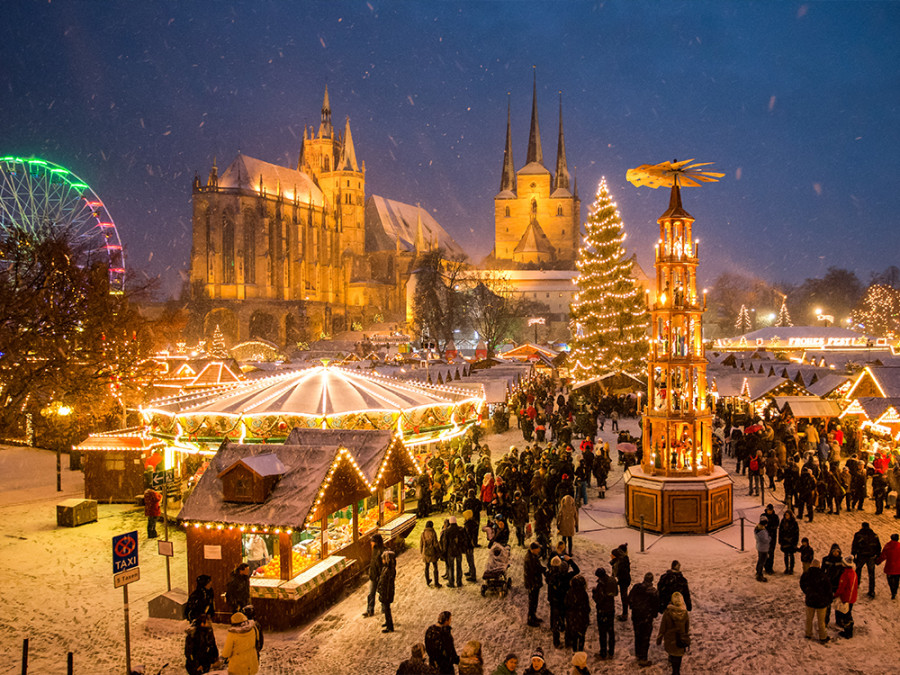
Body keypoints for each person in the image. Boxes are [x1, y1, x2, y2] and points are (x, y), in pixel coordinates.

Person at [548, 554, 581, 648]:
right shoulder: (569, 576)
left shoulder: (554, 576)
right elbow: (577, 570)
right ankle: (567, 639)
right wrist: (570, 560)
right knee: (566, 619)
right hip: (565, 601)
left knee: (555, 621)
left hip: (555, 601)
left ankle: (556, 641)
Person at [627, 572, 659, 667]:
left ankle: (638, 653)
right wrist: (653, 614)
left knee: (637, 634)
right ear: (652, 580)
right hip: (647, 618)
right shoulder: (653, 592)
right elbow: (656, 606)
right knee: (645, 638)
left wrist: (633, 607)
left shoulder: (636, 587)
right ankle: (643, 658)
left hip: (636, 616)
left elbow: (629, 599)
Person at [656, 591, 690, 675]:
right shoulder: (685, 613)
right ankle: (676, 671)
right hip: (680, 638)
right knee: (678, 656)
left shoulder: (668, 613)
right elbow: (687, 627)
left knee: (672, 652)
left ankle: (672, 663)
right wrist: (685, 636)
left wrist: (659, 638)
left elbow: (663, 627)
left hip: (670, 638)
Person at [800, 560, 831, 643]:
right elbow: (828, 589)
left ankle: (808, 634)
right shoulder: (823, 576)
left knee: (809, 619)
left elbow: (802, 584)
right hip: (821, 602)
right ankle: (823, 637)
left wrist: (807, 592)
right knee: (821, 621)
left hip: (810, 600)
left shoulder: (806, 575)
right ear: (819, 566)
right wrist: (827, 599)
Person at [592, 566, 617, 660]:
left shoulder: (601, 585)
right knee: (611, 631)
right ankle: (611, 651)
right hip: (611, 609)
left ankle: (603, 652)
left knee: (602, 633)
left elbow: (599, 600)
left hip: (603, 610)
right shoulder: (611, 580)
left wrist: (594, 593)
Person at [851, 521, 881, 598]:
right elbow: (878, 546)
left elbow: (854, 545)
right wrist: (877, 555)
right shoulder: (874, 535)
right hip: (871, 556)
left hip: (861, 555)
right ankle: (872, 590)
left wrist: (854, 554)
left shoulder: (858, 535)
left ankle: (856, 586)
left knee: (857, 570)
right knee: (871, 574)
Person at [565, 574, 591, 652]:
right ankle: (580, 650)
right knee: (581, 636)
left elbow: (566, 604)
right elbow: (587, 607)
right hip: (582, 618)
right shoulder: (583, 593)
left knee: (574, 636)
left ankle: (575, 651)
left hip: (573, 617)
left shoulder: (570, 592)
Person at [834, 556, 858, 639]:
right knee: (848, 614)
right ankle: (849, 629)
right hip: (852, 598)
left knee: (846, 615)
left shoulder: (845, 574)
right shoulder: (853, 573)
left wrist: (835, 595)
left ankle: (848, 633)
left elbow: (841, 588)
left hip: (846, 598)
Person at [523, 542, 546, 627]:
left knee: (534, 601)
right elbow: (535, 569)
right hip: (532, 583)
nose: (539, 550)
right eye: (538, 548)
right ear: (533, 549)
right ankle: (530, 619)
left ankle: (533, 616)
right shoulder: (530, 558)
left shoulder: (533, 556)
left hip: (534, 582)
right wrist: (544, 570)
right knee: (532, 601)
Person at [363, 534, 385, 618]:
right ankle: (370, 610)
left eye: (372, 541)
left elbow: (381, 565)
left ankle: (384, 609)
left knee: (381, 593)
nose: (371, 543)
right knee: (371, 594)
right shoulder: (374, 550)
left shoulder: (382, 551)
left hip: (379, 576)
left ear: (376, 542)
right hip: (373, 575)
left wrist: (380, 576)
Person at [441, 516, 466, 588]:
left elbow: (445, 543)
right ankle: (459, 582)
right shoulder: (460, 529)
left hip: (450, 551)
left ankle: (451, 582)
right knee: (459, 566)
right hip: (458, 551)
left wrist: (444, 552)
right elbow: (463, 540)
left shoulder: (447, 531)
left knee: (450, 567)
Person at [876, 533, 900, 599]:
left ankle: (892, 591)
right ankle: (894, 591)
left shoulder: (888, 546)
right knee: (896, 580)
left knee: (890, 580)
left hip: (890, 567)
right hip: (898, 568)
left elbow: (883, 555)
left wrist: (878, 562)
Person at [611, 544, 631, 621]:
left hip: (624, 581)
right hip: (624, 579)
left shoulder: (622, 562)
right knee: (624, 596)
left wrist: (618, 581)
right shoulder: (623, 559)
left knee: (624, 597)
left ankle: (625, 614)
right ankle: (625, 612)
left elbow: (622, 572)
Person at [379, 550, 397, 633]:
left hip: (386, 593)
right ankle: (387, 622)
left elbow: (387, 584)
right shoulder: (387, 568)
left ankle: (390, 627)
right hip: (385, 592)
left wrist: (385, 594)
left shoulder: (389, 571)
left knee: (387, 610)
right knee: (386, 609)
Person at [421, 520, 443, 588]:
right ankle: (436, 583)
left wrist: (422, 552)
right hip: (433, 553)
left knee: (426, 567)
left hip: (426, 553)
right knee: (435, 567)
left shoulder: (423, 533)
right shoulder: (433, 533)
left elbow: (421, 544)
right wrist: (439, 552)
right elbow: (435, 544)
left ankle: (427, 581)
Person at [779, 510, 800, 574]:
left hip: (791, 541)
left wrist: (795, 542)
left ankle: (791, 569)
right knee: (785, 555)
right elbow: (780, 532)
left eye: (787, 515)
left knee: (791, 555)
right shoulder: (783, 522)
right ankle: (786, 568)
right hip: (785, 541)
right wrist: (781, 540)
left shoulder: (794, 523)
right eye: (785, 515)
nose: (786, 516)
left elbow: (796, 533)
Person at [762, 504, 779, 574]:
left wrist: (768, 526)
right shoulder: (763, 516)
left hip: (772, 537)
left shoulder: (775, 517)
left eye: (770, 510)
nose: (769, 512)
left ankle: (770, 567)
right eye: (769, 510)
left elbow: (775, 525)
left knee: (771, 553)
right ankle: (766, 566)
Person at [754, 516, 771, 582]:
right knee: (762, 561)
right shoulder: (762, 531)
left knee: (760, 560)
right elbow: (766, 540)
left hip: (759, 547)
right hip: (763, 548)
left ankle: (758, 571)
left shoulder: (757, 529)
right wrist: (769, 538)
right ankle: (759, 574)